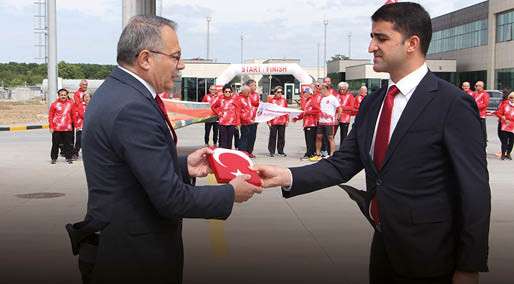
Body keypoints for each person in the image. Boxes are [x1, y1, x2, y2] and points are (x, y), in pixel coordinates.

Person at [254, 3, 490, 284]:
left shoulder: (451, 103)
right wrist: (287, 175)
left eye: (381, 38)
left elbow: (474, 188)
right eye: (372, 37)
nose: (370, 47)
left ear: (412, 43)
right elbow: (344, 163)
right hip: (383, 250)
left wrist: (469, 265)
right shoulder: (373, 103)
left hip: (433, 259)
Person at [66, 16, 261, 284]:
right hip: (134, 260)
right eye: (176, 56)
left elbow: (127, 169)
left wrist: (182, 165)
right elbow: (170, 199)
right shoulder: (133, 107)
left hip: (120, 246)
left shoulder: (117, 91)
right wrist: (230, 193)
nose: (180, 65)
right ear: (145, 59)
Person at [48, 88, 74, 164]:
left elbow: (73, 115)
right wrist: (51, 127)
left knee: (68, 144)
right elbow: (50, 116)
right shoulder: (54, 104)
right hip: (56, 129)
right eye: (61, 95)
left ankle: (69, 157)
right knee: (55, 144)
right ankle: (54, 158)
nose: (63, 96)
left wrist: (73, 124)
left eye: (64, 95)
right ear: (58, 96)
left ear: (67, 95)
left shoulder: (71, 104)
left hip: (67, 128)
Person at [211, 85, 242, 149]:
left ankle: (228, 155)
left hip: (232, 124)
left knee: (229, 141)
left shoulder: (235, 100)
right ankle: (222, 155)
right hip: (222, 123)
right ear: (223, 92)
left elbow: (238, 112)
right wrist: (218, 113)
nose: (228, 93)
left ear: (231, 92)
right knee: (222, 141)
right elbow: (213, 107)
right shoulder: (220, 100)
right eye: (226, 91)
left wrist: (238, 123)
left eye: (229, 91)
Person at [294, 86, 320, 160]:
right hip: (306, 123)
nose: (304, 94)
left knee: (310, 140)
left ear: (310, 93)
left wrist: (308, 112)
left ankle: (310, 154)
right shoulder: (306, 101)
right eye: (304, 92)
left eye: (305, 92)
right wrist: (297, 118)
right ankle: (310, 153)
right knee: (308, 139)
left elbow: (318, 110)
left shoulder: (313, 100)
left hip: (312, 123)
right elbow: (303, 113)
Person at [315, 83, 340, 158]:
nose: (320, 91)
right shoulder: (322, 98)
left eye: (321, 89)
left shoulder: (333, 98)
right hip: (321, 121)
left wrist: (337, 118)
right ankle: (318, 154)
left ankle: (332, 154)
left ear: (325, 89)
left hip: (329, 122)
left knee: (330, 138)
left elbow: (340, 108)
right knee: (318, 136)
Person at [239, 79, 260, 158]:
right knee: (245, 136)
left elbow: (257, 105)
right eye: (253, 85)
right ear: (248, 86)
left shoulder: (256, 95)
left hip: (254, 119)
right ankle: (243, 152)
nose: (255, 87)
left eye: (255, 85)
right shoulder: (243, 95)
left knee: (252, 137)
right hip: (246, 120)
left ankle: (249, 151)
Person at [267, 86, 288, 157]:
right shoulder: (271, 100)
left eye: (281, 92)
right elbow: (268, 112)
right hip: (273, 121)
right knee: (273, 136)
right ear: (275, 92)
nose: (280, 93)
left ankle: (280, 151)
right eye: (278, 92)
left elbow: (286, 111)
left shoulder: (284, 100)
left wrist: (287, 120)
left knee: (281, 136)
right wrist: (268, 121)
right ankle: (271, 151)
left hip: (282, 121)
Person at [72, 92, 91, 159]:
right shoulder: (80, 105)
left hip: (89, 127)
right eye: (85, 97)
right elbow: (81, 114)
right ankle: (75, 153)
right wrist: (76, 126)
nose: (86, 98)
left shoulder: (93, 105)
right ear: (83, 98)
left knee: (89, 141)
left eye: (88, 97)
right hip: (80, 126)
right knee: (78, 141)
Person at [337, 82, 354, 150]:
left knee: (343, 134)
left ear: (347, 89)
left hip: (345, 118)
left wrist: (341, 107)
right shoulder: (337, 95)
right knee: (331, 134)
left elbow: (351, 107)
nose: (342, 90)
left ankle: (342, 148)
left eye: (343, 89)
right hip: (336, 117)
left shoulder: (350, 96)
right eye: (340, 89)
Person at [496, 92, 514, 160]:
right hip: (505, 126)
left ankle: (508, 153)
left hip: (513, 127)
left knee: (512, 141)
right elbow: (498, 113)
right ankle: (503, 154)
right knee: (504, 141)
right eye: (511, 98)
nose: (512, 99)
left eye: (513, 98)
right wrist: (503, 117)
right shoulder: (505, 104)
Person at [473, 81, 489, 147]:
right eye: (476, 86)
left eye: (479, 86)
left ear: (482, 86)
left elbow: (485, 104)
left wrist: (476, 106)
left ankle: (484, 144)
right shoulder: (474, 94)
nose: (477, 87)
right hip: (474, 114)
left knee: (483, 131)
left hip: (481, 115)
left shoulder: (485, 94)